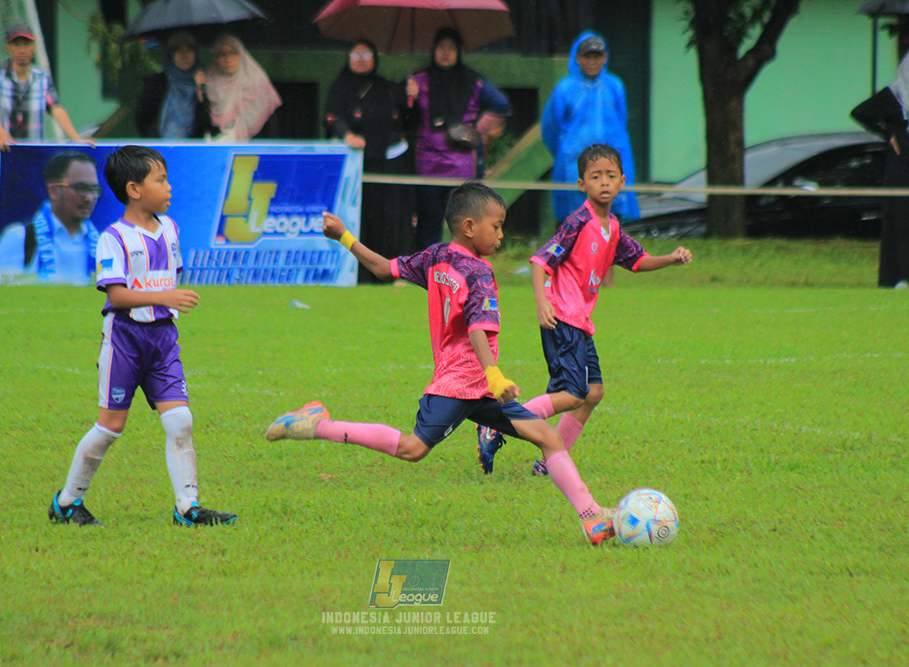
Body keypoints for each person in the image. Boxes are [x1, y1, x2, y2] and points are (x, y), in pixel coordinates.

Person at [265, 182, 617, 545]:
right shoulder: (480, 272)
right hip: (461, 383)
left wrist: (344, 237)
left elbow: (385, 269)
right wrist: (494, 375)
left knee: (548, 436)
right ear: (469, 227)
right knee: (412, 449)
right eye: (495, 226)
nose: (501, 234)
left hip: (476, 385)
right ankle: (316, 424)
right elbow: (478, 329)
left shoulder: (436, 255)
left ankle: (591, 516)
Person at [476, 144, 691, 478]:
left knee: (593, 393)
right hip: (562, 315)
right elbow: (539, 261)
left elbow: (636, 261)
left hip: (579, 320)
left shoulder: (613, 228)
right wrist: (542, 303)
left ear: (622, 181)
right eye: (595, 176)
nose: (603, 182)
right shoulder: (578, 221)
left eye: (610, 176)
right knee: (573, 392)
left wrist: (671, 259)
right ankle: (498, 424)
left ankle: (548, 461)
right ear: (581, 184)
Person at [48, 146, 235, 527]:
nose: (169, 187)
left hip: (164, 339)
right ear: (134, 189)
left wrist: (165, 301)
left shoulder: (171, 229)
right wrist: (164, 296)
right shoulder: (112, 238)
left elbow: (170, 275)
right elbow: (116, 295)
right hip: (125, 340)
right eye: (160, 180)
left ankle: (188, 507)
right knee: (110, 427)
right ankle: (67, 502)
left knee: (180, 421)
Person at [405, 28, 511, 251]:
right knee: (428, 220)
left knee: (467, 223)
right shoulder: (420, 80)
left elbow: (502, 105)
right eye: (441, 47)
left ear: (458, 51)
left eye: (451, 48)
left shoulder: (473, 80)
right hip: (428, 164)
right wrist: (409, 97)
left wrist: (475, 129)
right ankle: (427, 272)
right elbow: (406, 119)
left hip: (461, 166)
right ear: (433, 50)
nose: (445, 53)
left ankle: (464, 270)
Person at [325, 39, 414, 283]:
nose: (361, 59)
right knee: (361, 217)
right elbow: (332, 117)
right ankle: (360, 272)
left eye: (366, 54)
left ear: (375, 57)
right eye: (356, 53)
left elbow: (409, 120)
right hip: (357, 165)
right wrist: (348, 135)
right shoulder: (340, 87)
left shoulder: (387, 87)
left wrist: (411, 99)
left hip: (389, 162)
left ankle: (395, 272)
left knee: (392, 217)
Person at [0, 22, 92, 198]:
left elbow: (56, 108)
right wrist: (0, 132)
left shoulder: (43, 79)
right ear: (9, 47)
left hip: (30, 159)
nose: (22, 50)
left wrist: (75, 138)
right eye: (17, 44)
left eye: (26, 44)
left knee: (27, 210)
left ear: (33, 46)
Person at [542, 31, 640, 226]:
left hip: (611, 159)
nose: (593, 61)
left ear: (605, 58)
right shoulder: (565, 88)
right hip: (574, 165)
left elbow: (622, 121)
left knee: (610, 219)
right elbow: (551, 127)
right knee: (573, 223)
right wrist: (566, 153)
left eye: (598, 56)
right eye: (587, 56)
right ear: (577, 58)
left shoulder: (614, 85)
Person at [0, 150, 101, 285]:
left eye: (94, 189)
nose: (89, 198)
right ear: (54, 191)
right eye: (81, 188)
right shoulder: (19, 237)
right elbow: (3, 292)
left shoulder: (102, 244)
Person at [851, 53, 909, 289]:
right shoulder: (895, 96)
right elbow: (860, 113)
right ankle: (900, 277)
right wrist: (889, 135)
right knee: (902, 224)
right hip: (902, 169)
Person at [135, 32, 213, 139]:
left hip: (192, 149)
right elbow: (142, 116)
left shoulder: (202, 80)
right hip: (161, 147)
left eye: (189, 50)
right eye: (179, 51)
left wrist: (201, 92)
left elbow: (208, 125)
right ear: (172, 55)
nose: (184, 56)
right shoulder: (159, 81)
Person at [204, 33, 282, 141]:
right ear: (216, 58)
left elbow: (271, 128)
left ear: (241, 54)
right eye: (222, 54)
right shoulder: (209, 83)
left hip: (254, 149)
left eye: (233, 53)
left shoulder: (256, 83)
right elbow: (203, 125)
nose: (228, 59)